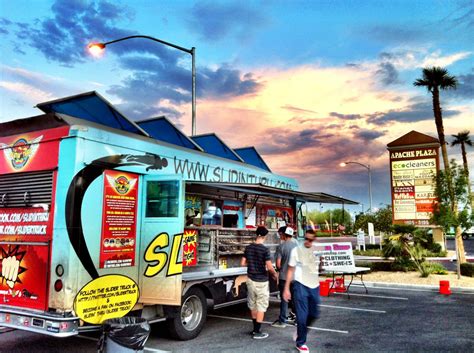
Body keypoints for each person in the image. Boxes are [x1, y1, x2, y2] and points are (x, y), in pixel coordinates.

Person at [283, 229, 323, 353]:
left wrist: (321, 265)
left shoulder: (317, 250)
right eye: (306, 238)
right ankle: (301, 343)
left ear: (314, 240)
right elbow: (290, 270)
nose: (307, 241)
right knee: (301, 316)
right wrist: (286, 288)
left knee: (314, 314)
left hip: (314, 285)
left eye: (310, 240)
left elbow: (320, 266)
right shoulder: (296, 251)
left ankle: (301, 330)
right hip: (300, 285)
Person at [241, 226, 278, 339]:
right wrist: (274, 274)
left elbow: (242, 263)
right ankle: (257, 332)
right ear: (265, 236)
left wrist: (251, 264)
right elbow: (269, 266)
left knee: (252, 304)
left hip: (250, 280)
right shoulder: (265, 250)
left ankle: (254, 329)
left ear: (257, 235)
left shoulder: (248, 248)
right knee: (261, 306)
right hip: (261, 281)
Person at [272, 226, 297, 328]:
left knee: (284, 299)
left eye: (280, 234)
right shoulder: (297, 246)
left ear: (283, 234)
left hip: (284, 277)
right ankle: (297, 320)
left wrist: (279, 270)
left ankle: (282, 321)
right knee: (295, 299)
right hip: (295, 277)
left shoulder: (281, 247)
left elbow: (278, 264)